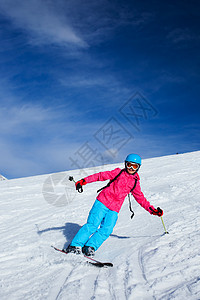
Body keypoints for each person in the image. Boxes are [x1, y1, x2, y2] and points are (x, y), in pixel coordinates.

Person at [63, 154, 163, 257]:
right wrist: (84, 181)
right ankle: (75, 245)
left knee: (107, 229)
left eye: (134, 166)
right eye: (129, 165)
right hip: (102, 202)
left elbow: (140, 198)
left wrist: (152, 210)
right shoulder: (118, 173)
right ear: (125, 164)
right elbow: (100, 176)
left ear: (138, 167)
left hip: (114, 209)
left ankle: (90, 246)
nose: (131, 168)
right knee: (92, 225)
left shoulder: (135, 183)